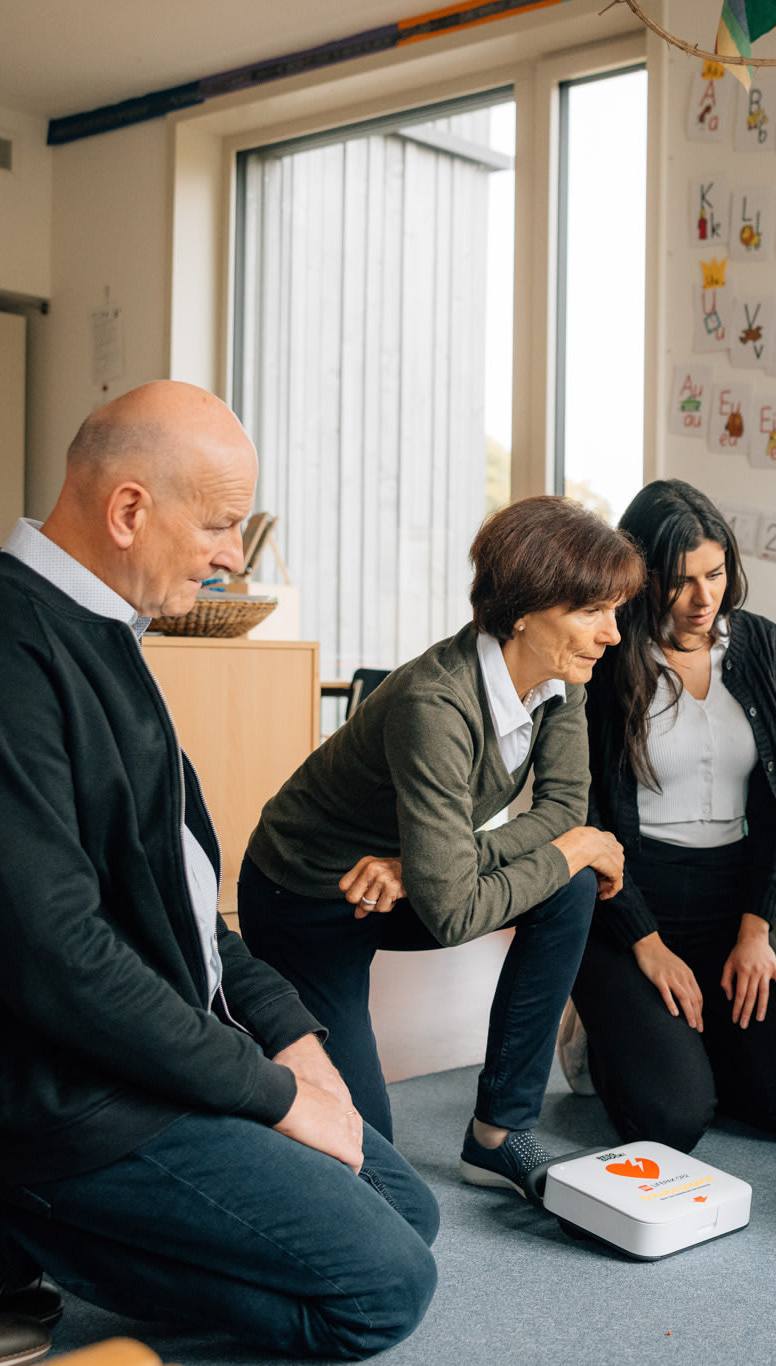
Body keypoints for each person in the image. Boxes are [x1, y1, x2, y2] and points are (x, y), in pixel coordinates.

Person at [0, 381, 437, 1364]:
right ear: (129, 510)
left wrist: (290, 1037)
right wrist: (269, 1094)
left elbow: (184, 908)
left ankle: (13, 1221)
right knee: (382, 1289)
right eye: (218, 525)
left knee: (407, 1215)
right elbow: (59, 960)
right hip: (51, 1100)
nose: (232, 555)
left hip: (144, 1061)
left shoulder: (105, 634)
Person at [238, 495, 639, 1199]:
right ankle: (248, 1050)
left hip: (408, 882)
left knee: (567, 885)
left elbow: (561, 812)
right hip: (307, 896)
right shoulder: (437, 701)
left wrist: (430, 863)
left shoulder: (561, 679)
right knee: (368, 1169)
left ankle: (497, 1135)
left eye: (615, 610)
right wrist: (567, 849)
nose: (611, 633)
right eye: (591, 611)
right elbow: (456, 912)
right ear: (523, 610)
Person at [566, 480, 776, 1150]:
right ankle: (603, 1039)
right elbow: (589, 812)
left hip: (729, 907)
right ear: (641, 579)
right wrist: (646, 942)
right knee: (674, 1122)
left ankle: (685, 1050)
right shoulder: (606, 654)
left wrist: (756, 931)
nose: (703, 598)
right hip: (627, 903)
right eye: (681, 581)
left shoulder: (761, 644)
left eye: (715, 574)